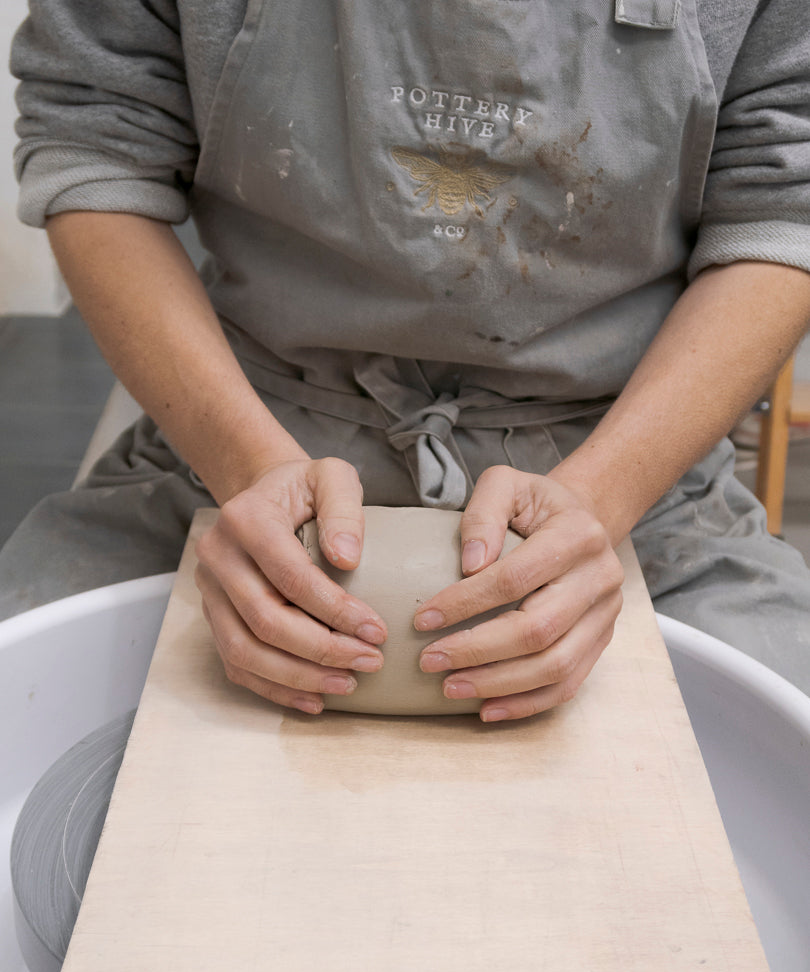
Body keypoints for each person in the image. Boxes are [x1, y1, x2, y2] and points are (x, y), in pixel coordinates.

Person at [4, 0, 810, 724]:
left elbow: (780, 210)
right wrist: (245, 468)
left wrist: (600, 501)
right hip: (243, 434)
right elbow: (96, 148)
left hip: (623, 455)